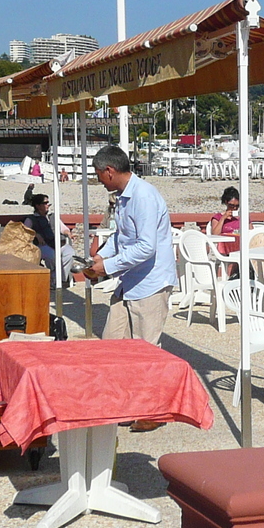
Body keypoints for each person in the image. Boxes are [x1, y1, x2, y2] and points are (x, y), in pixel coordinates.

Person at [86, 146, 178, 364]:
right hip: (130, 281)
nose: (101, 183)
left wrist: (107, 267)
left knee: (145, 350)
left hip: (151, 283)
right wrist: (101, 257)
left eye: (100, 177)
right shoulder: (123, 197)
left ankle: (151, 395)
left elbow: (147, 247)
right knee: (112, 344)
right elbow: (122, 235)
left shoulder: (143, 196)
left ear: (109, 171)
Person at [23, 193, 74, 275]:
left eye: (48, 203)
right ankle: (53, 277)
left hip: (58, 243)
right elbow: (25, 231)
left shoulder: (53, 216)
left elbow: (63, 228)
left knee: (70, 254)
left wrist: (68, 232)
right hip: (42, 245)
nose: (48, 205)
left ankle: (58, 277)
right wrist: (36, 234)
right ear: (38, 205)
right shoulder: (31, 219)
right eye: (45, 203)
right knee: (51, 256)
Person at [208, 186, 242, 257]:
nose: (234, 208)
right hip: (226, 248)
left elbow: (251, 231)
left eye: (237, 206)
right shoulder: (218, 217)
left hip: (241, 245)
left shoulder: (242, 217)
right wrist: (223, 218)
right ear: (226, 202)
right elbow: (215, 234)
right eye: (232, 205)